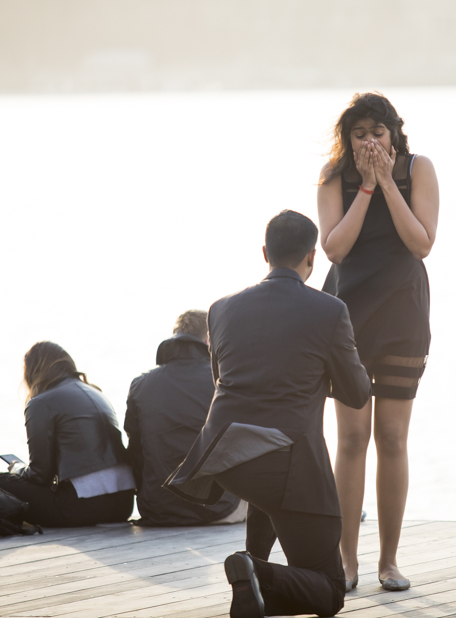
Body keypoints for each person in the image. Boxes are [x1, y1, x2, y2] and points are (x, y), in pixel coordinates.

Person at [166, 210, 370, 618]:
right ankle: (255, 570)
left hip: (227, 454)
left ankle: (250, 583)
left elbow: (223, 379)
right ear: (312, 258)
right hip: (289, 463)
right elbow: (358, 392)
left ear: (265, 253)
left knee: (266, 473)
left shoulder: (220, 310)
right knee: (330, 592)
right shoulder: (330, 311)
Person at [317, 92, 439, 592]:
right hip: (345, 315)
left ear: (395, 133)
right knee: (350, 439)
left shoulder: (418, 169)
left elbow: (422, 243)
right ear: (347, 139)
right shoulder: (332, 179)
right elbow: (335, 249)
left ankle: (389, 561)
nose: (370, 142)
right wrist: (365, 188)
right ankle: (348, 561)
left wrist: (388, 181)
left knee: (391, 438)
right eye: (360, 134)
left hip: (402, 314)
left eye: (378, 132)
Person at [0, 342, 135, 527]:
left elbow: (40, 475)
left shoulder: (40, 403)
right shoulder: (96, 393)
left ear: (32, 372)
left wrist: (17, 469)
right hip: (123, 505)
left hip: (82, 507)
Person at [124, 309, 243, 526]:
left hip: (158, 509)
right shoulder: (224, 378)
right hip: (217, 508)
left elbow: (136, 452)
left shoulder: (140, 384)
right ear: (209, 339)